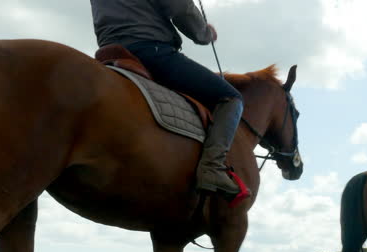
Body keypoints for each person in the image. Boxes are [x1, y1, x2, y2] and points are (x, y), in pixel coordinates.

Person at [90, 0, 249, 203]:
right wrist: (204, 33)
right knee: (232, 98)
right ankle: (212, 168)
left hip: (109, 49)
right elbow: (181, 8)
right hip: (149, 48)